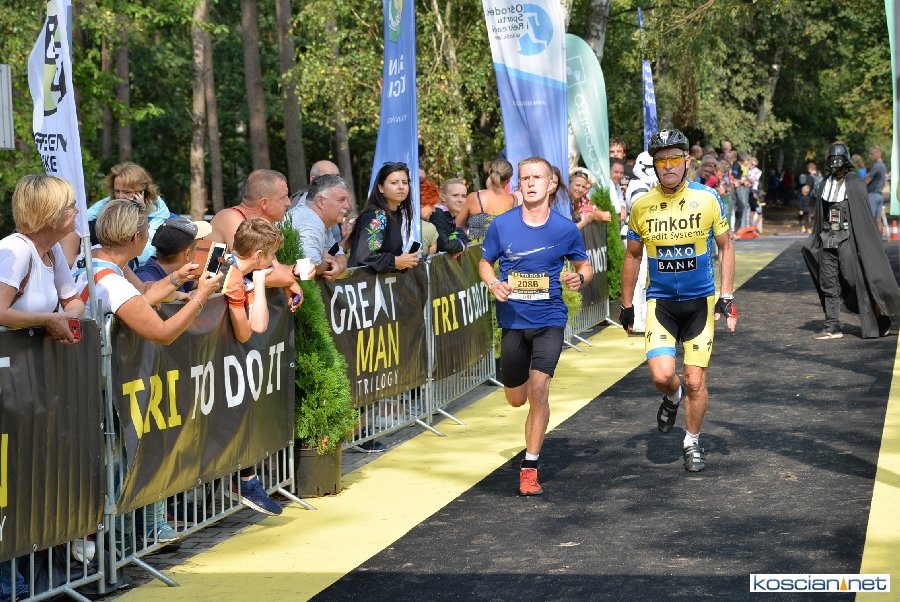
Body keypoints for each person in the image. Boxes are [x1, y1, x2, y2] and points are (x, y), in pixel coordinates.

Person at [75, 199, 224, 539]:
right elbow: (163, 332)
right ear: (135, 238)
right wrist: (201, 297)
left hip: (97, 376)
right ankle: (114, 540)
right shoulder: (110, 280)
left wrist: (176, 278)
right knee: (115, 460)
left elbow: (143, 293)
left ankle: (119, 538)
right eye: (146, 231)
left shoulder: (99, 257)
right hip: (101, 381)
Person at [619, 128, 737, 473]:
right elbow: (632, 256)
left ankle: (692, 441)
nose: (668, 166)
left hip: (700, 302)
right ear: (653, 166)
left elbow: (726, 246)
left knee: (696, 380)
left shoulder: (708, 198)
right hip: (662, 303)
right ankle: (672, 396)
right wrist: (626, 304)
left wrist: (727, 295)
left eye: (674, 159)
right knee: (662, 375)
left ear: (687, 161)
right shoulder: (642, 205)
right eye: (661, 161)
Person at [480, 156, 593, 496]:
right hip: (513, 321)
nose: (530, 183)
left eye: (537, 177)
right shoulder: (502, 225)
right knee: (517, 399)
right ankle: (527, 398)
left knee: (539, 388)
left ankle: (529, 468)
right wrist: (493, 283)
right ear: (519, 184)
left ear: (550, 184)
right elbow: (485, 263)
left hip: (549, 319)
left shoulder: (565, 229)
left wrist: (579, 278)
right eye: (525, 178)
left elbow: (585, 266)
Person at [208, 170, 305, 510]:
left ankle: (244, 477)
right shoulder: (232, 224)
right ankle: (239, 480)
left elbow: (272, 271)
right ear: (264, 202)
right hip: (217, 343)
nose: (289, 203)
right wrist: (288, 276)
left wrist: (283, 278)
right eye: (284, 197)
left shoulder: (255, 240)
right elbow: (270, 274)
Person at [801, 142, 900, 340]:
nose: (836, 168)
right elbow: (821, 214)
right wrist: (816, 241)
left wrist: (862, 244)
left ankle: (879, 316)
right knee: (828, 282)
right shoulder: (825, 184)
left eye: (839, 164)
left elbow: (862, 218)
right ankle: (832, 324)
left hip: (848, 240)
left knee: (854, 280)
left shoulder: (854, 183)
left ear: (845, 163)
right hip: (828, 238)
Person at [0, 175, 85, 343]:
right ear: (51, 216)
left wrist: (65, 320)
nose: (77, 211)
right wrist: (48, 320)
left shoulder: (53, 249)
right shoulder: (19, 249)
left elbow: (74, 301)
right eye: (71, 206)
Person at [65, 162, 175, 268]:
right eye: (117, 191)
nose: (120, 197)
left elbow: (145, 254)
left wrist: (140, 213)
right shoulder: (111, 201)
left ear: (142, 192)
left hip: (138, 266)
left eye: (127, 192)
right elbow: (82, 218)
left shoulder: (158, 212)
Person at [221, 218, 292, 344]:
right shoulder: (234, 278)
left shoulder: (236, 269)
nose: (273, 259)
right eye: (272, 253)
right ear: (258, 255)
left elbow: (259, 325)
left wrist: (258, 278)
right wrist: (259, 282)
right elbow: (246, 334)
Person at [347, 162, 420, 273]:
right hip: (364, 282)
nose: (401, 187)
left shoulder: (396, 213)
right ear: (381, 188)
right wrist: (395, 261)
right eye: (394, 183)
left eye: (405, 182)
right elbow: (365, 257)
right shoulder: (377, 216)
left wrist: (403, 261)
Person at [287, 174, 351, 280]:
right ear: (320, 201)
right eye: (341, 200)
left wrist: (339, 266)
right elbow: (306, 268)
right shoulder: (309, 223)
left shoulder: (321, 221)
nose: (347, 206)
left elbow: (337, 252)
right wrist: (329, 264)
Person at [134, 216, 213, 293]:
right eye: (197, 248)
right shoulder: (145, 278)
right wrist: (201, 294)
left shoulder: (178, 272)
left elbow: (196, 285)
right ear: (187, 254)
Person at [456, 159, 516, 242]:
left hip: (477, 249)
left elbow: (458, 225)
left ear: (490, 171)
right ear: (509, 178)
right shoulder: (514, 200)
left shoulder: (474, 198)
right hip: (506, 249)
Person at [429, 179, 467, 255]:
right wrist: (461, 245)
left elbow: (458, 234)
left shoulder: (449, 214)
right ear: (443, 197)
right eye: (455, 195)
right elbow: (444, 245)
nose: (460, 200)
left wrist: (458, 244)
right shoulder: (437, 214)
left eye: (463, 196)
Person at [865, 145, 887, 238]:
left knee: (869, 219)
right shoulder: (883, 166)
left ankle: (870, 241)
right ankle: (879, 242)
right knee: (878, 220)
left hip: (873, 195)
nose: (870, 156)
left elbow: (867, 181)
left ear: (878, 153)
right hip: (879, 195)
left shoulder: (876, 166)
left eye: (872, 154)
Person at [418, 171, 440, 256]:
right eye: (431, 205)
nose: (434, 210)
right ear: (421, 204)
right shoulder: (429, 228)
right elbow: (429, 260)